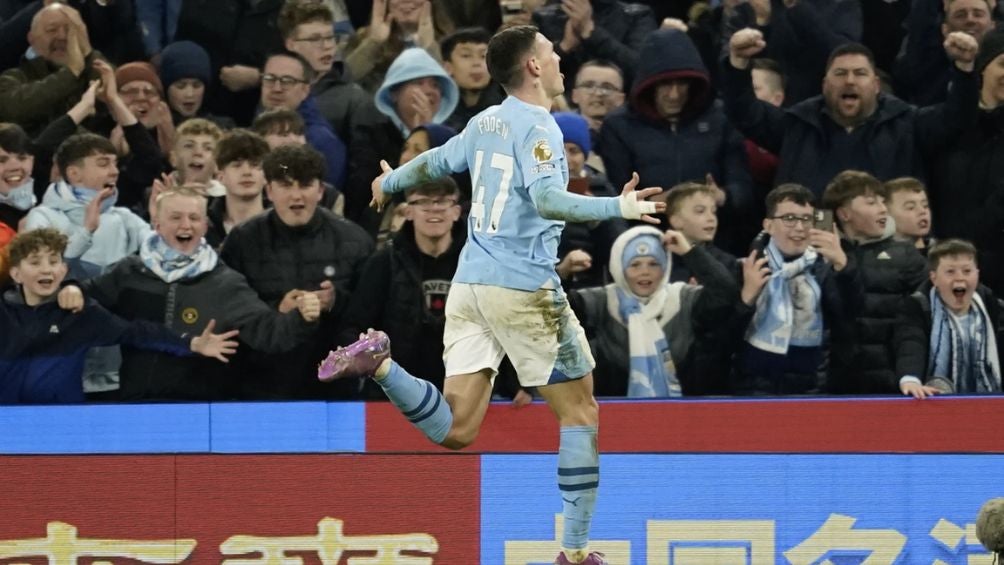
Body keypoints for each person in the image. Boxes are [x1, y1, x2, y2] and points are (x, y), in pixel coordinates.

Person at [317, 25, 664, 565]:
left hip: (471, 285)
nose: (559, 60)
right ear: (532, 66)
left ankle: (383, 366)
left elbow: (439, 160)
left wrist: (391, 183)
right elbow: (550, 200)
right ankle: (574, 553)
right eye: (551, 52)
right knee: (580, 413)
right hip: (524, 288)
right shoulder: (540, 128)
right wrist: (616, 209)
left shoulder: (486, 121)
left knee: (457, 429)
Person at [78, 186, 321, 400]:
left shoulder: (225, 283)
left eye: (194, 218)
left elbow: (268, 333)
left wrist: (301, 318)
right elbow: (82, 302)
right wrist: (71, 288)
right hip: (135, 404)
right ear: (157, 224)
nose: (186, 225)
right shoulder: (128, 272)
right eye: (176, 217)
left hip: (201, 408)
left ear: (205, 225)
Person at [722, 28, 980, 196]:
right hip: (810, 247)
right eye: (840, 73)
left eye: (860, 73)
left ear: (876, 85)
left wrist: (965, 68)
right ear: (824, 85)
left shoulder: (908, 123)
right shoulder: (797, 125)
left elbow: (957, 116)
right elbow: (745, 111)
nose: (850, 81)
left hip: (889, 253)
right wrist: (737, 62)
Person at [0, 227, 238, 404]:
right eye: (35, 262)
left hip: (63, 423)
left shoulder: (80, 314)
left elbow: (138, 332)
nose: (46, 269)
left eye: (54, 261)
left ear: (63, 270)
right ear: (16, 274)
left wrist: (192, 343)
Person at [220, 144, 373, 399]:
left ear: (321, 190)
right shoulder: (242, 240)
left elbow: (371, 312)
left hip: (335, 388)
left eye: (305, 185)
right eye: (286, 185)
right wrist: (275, 310)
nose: (296, 196)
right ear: (269, 190)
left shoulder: (355, 240)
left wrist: (337, 301)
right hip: (260, 384)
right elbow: (230, 308)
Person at [569, 226, 737, 397]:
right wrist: (562, 272)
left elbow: (726, 292)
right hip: (613, 414)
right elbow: (551, 310)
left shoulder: (683, 299)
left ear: (665, 267)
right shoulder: (600, 302)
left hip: (682, 414)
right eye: (634, 264)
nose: (645, 272)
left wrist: (689, 252)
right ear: (620, 268)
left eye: (654, 263)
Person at [733, 183, 864, 395]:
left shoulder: (829, 267)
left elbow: (853, 316)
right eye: (789, 219)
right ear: (768, 225)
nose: (800, 227)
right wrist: (746, 299)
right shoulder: (746, 268)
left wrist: (843, 265)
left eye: (806, 219)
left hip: (815, 388)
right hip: (753, 389)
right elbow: (722, 336)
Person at [340, 177, 465, 398]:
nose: (434, 209)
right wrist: (372, 357)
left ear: (456, 211)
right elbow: (353, 327)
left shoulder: (476, 264)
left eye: (443, 202)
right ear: (407, 211)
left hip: (462, 392)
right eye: (424, 202)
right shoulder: (383, 264)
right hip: (394, 395)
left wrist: (513, 383)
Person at [821, 170, 927, 394]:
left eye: (882, 201)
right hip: (838, 384)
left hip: (895, 382)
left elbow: (921, 320)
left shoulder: (905, 256)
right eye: (871, 202)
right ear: (844, 214)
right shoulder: (819, 258)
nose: (882, 208)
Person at [893, 239, 1002, 398]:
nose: (960, 278)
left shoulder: (992, 306)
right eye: (950, 272)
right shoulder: (917, 306)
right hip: (933, 403)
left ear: (977, 274)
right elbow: (911, 343)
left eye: (967, 271)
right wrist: (910, 379)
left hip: (989, 405)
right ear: (934, 277)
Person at [206, 129, 270, 248]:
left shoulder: (284, 222)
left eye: (255, 165)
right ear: (220, 176)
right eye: (237, 166)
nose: (247, 172)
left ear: (266, 175)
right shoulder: (204, 226)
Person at [884, 177, 932, 251]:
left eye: (925, 205)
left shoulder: (942, 254)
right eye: (911, 208)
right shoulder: (878, 259)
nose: (922, 211)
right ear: (886, 215)